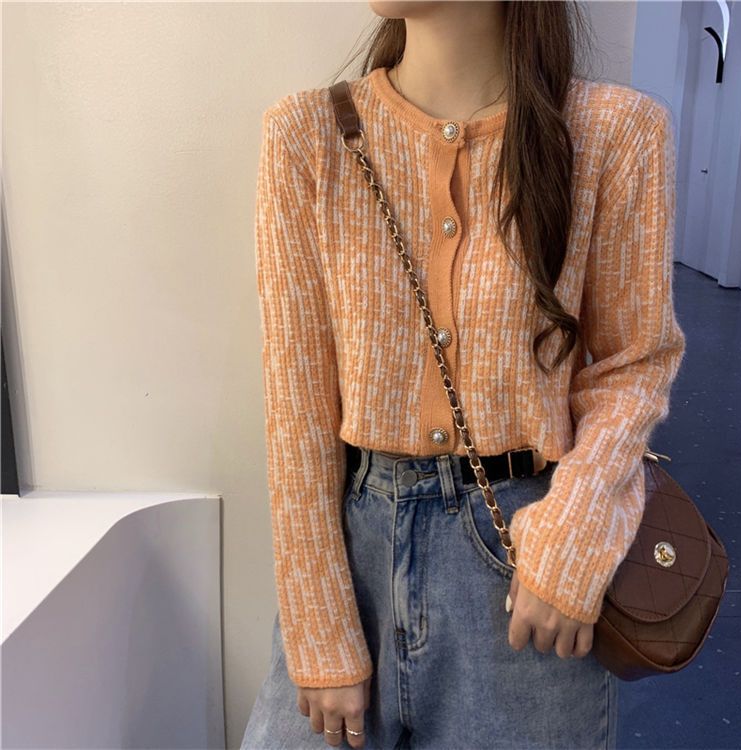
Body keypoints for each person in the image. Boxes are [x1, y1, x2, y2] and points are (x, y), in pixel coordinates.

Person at [242, 2, 686, 748]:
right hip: (355, 556)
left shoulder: (614, 133)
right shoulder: (307, 137)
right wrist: (318, 628)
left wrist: (573, 540)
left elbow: (632, 368)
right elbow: (296, 408)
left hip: (529, 575)